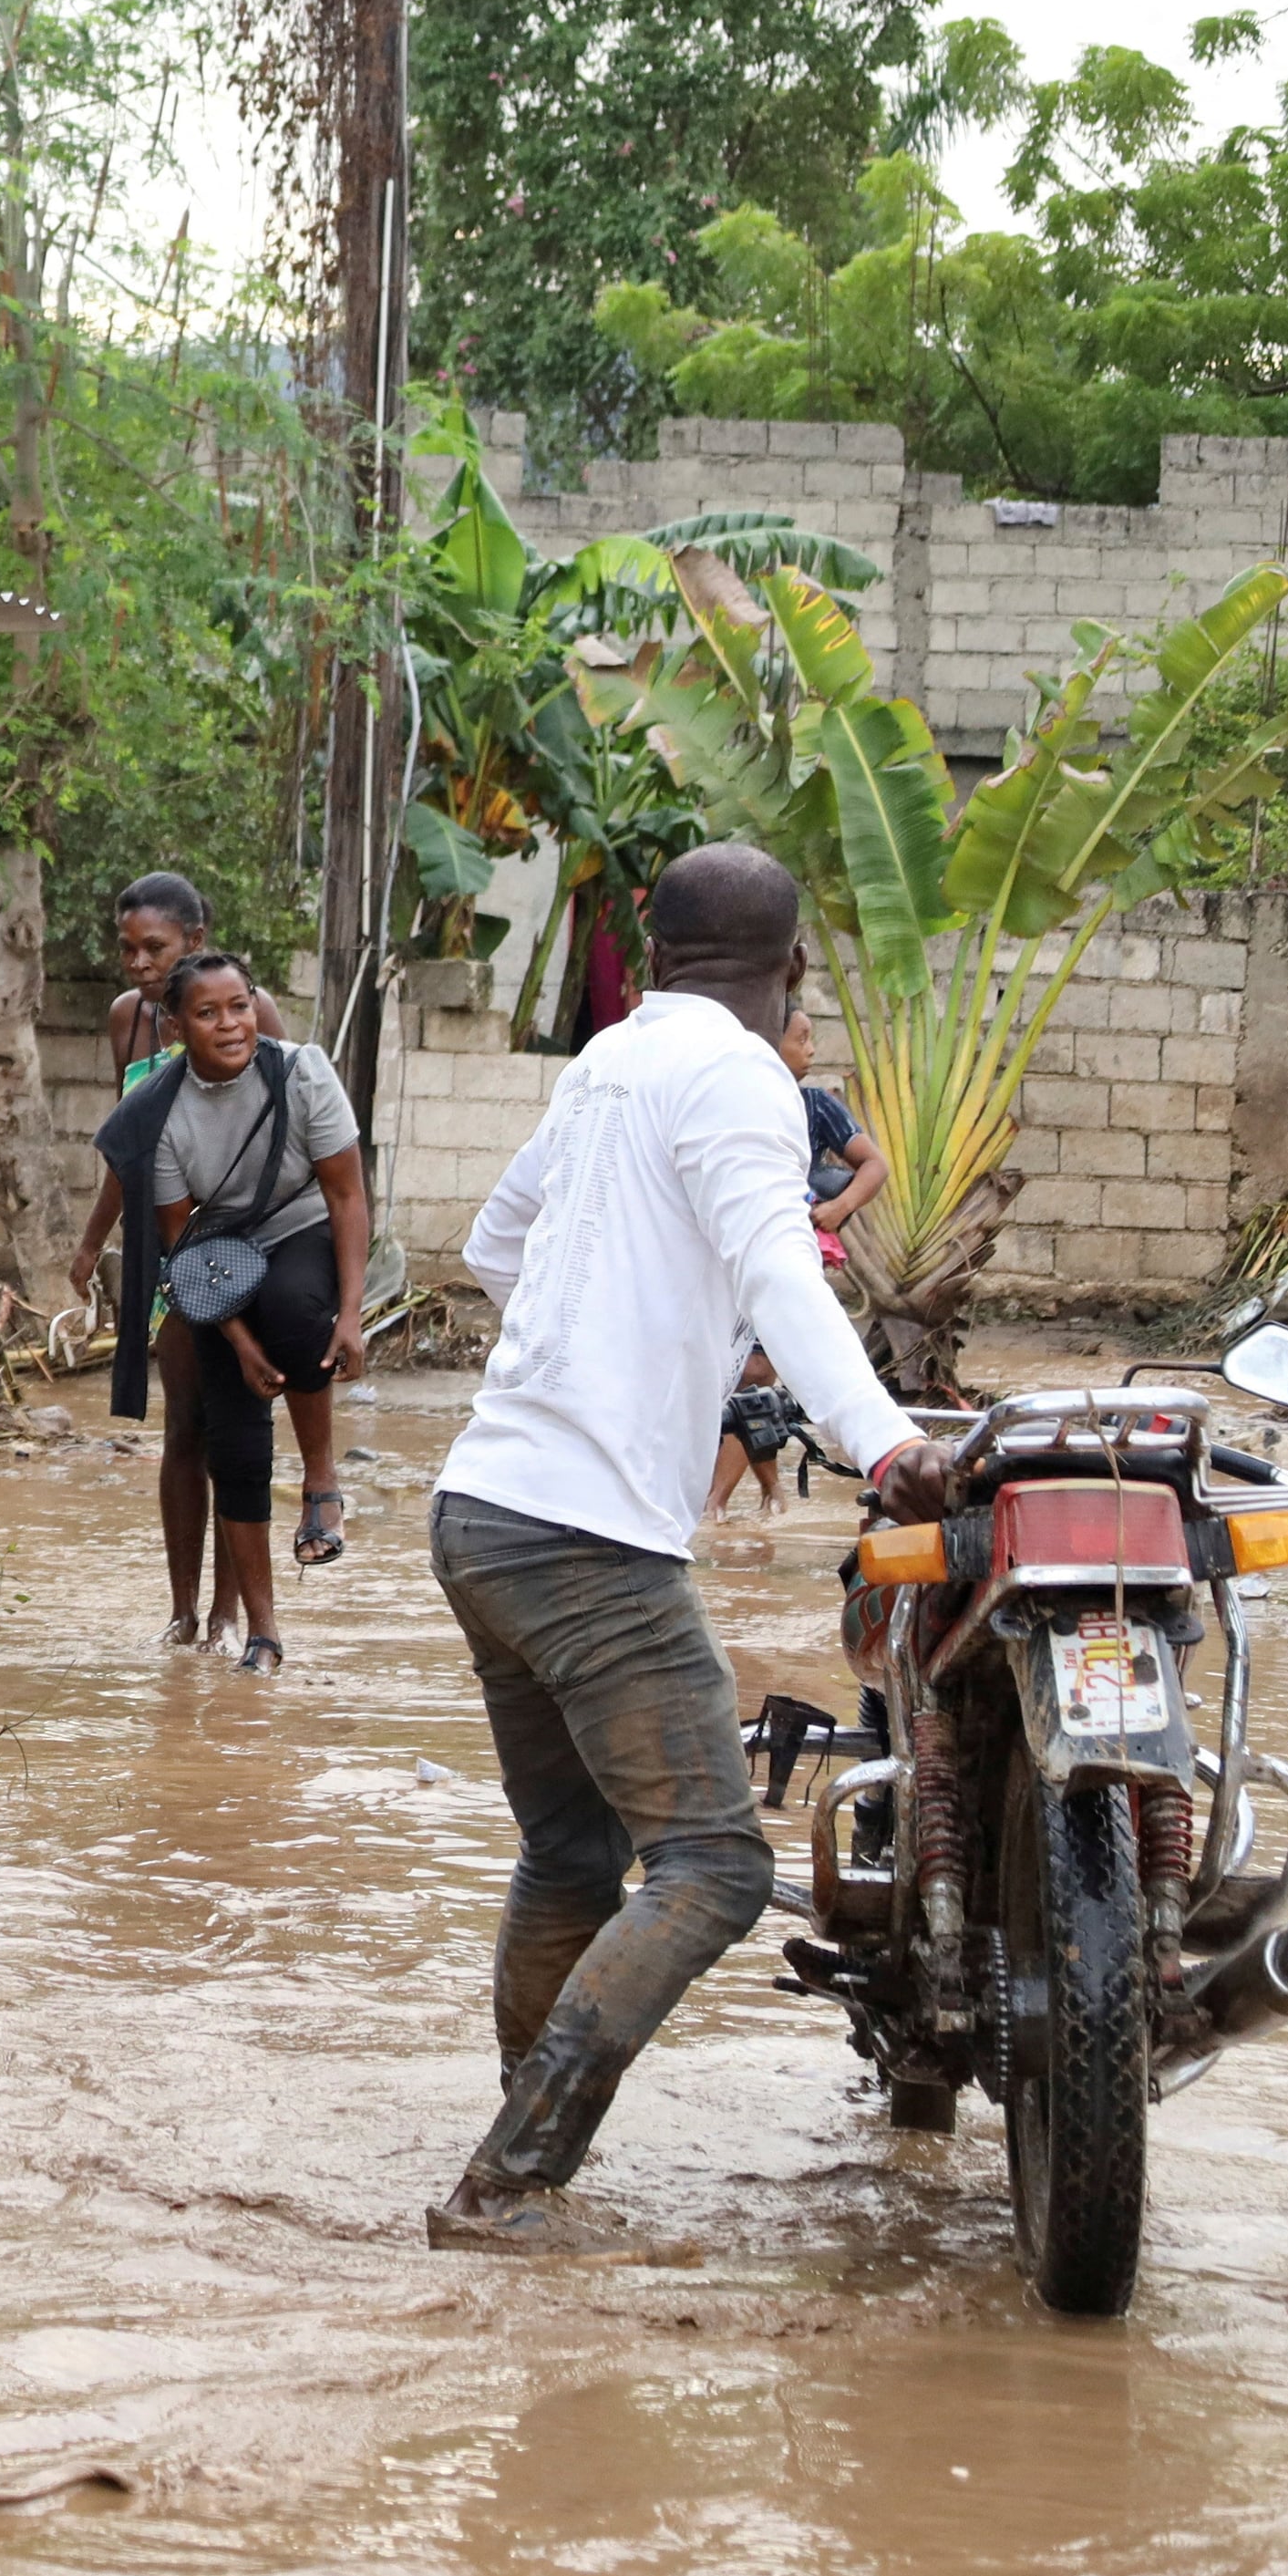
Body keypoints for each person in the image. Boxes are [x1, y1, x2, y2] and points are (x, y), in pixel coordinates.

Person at [423, 844, 953, 2257]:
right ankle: (508, 2184)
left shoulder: (606, 1061)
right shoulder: (741, 1080)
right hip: (587, 1540)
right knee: (714, 1866)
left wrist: (627, 1350)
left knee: (568, 1848)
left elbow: (492, 1244)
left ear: (657, 949)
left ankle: (522, 2140)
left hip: (482, 1507)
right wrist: (889, 1445)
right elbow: (782, 1266)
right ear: (787, 973)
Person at [65, 876, 348, 1651]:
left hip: (245, 1238)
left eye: (153, 947)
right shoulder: (129, 1023)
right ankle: (183, 1607)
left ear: (194, 940)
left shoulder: (247, 1015)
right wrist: (94, 1241)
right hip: (170, 1236)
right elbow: (129, 1143)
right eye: (126, 947)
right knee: (182, 1422)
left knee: (232, 1413)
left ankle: (232, 1611)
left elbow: (282, 1134)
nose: (135, 963)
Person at [706, 1009, 890, 1519]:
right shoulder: (733, 1102)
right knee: (747, 1377)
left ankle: (714, 1503)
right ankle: (772, 1493)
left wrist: (838, 1208)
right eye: (801, 1038)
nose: (811, 1050)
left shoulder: (814, 1106)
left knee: (758, 1370)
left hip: (781, 1259)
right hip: (730, 1256)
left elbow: (874, 1165)